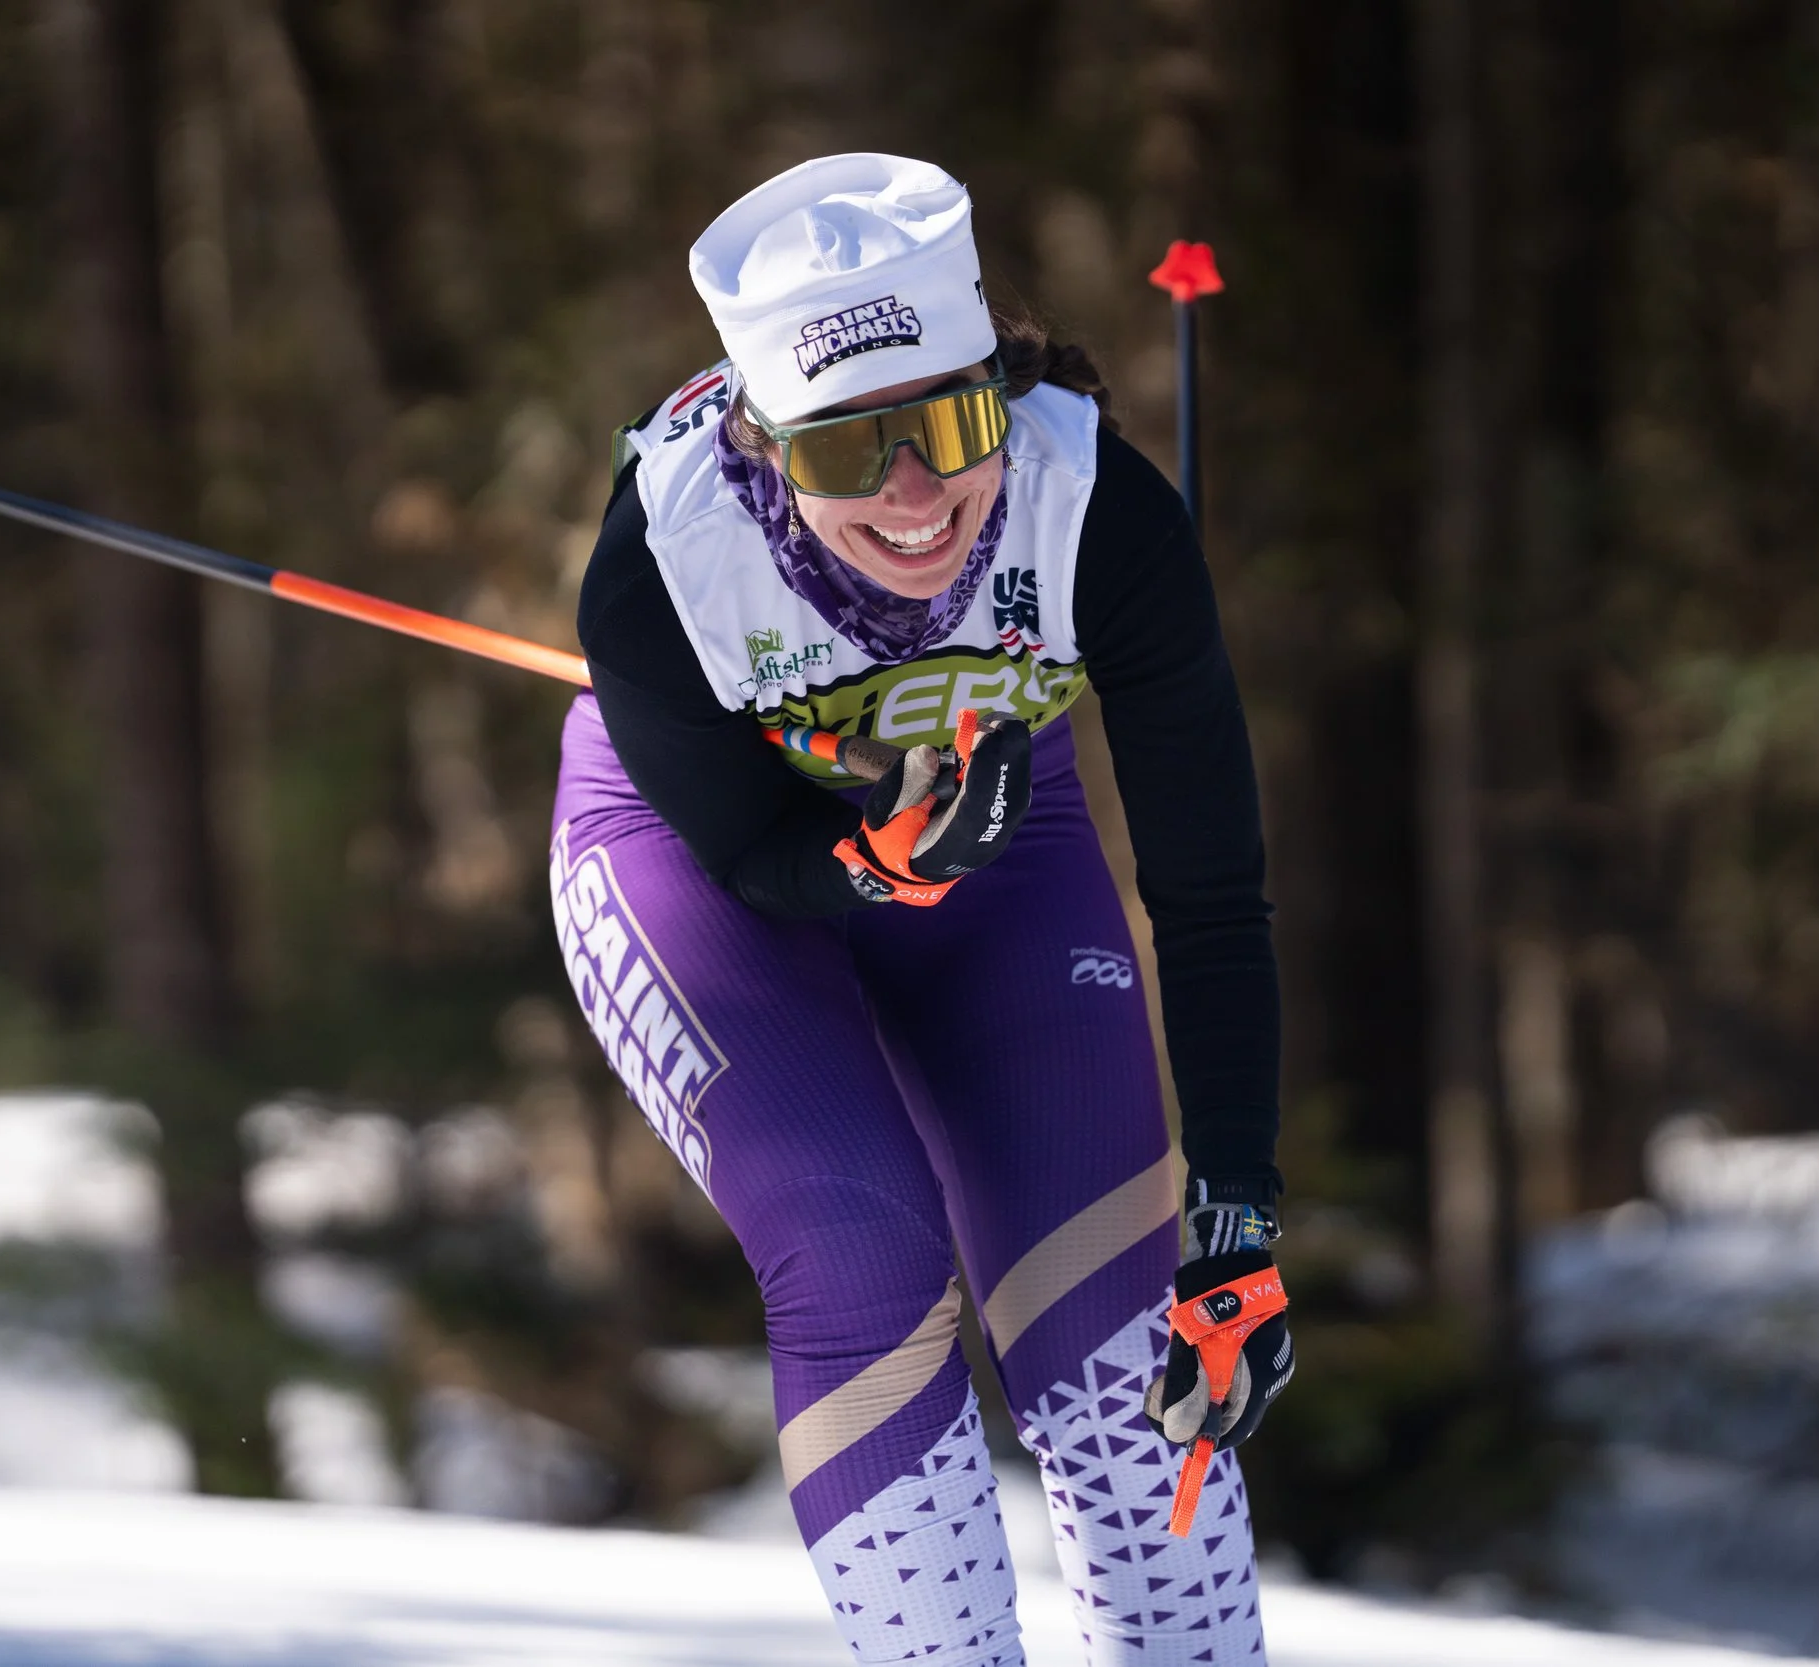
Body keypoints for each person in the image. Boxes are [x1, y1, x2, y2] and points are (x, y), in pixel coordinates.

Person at [553, 153, 1293, 1667]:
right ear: (767, 440)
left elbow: (1213, 895)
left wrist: (1239, 1222)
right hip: (708, 862)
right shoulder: (663, 561)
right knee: (861, 1249)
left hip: (998, 838)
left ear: (997, 393)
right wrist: (863, 864)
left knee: (1124, 1338)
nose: (912, 495)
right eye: (847, 451)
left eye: (949, 428)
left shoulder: (1101, 514)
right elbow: (746, 851)